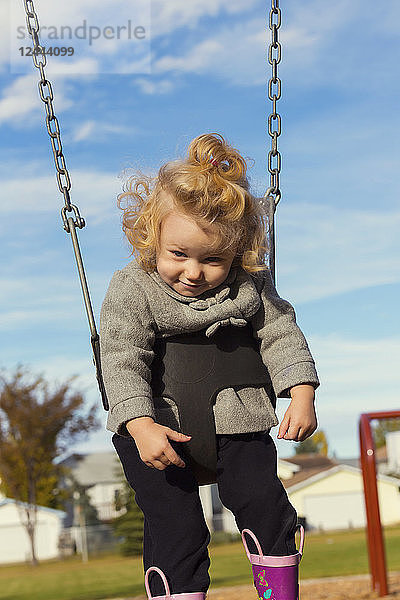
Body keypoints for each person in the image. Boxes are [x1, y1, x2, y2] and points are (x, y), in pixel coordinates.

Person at [100, 133, 320, 598]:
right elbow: (121, 358)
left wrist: (300, 393)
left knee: (264, 504)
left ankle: (280, 590)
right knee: (178, 530)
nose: (194, 272)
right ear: (150, 235)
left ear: (237, 253)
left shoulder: (250, 287)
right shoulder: (132, 288)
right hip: (157, 429)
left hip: (239, 423)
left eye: (213, 259)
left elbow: (281, 334)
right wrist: (139, 424)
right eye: (178, 254)